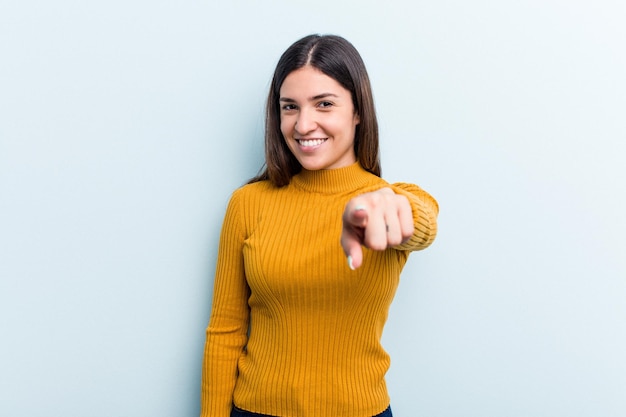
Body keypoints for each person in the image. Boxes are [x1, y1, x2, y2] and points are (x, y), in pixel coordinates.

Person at [200, 34, 438, 417]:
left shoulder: (386, 201)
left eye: (324, 104)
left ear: (358, 111)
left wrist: (387, 204)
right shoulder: (247, 204)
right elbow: (225, 331)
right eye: (289, 107)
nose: (303, 124)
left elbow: (421, 220)